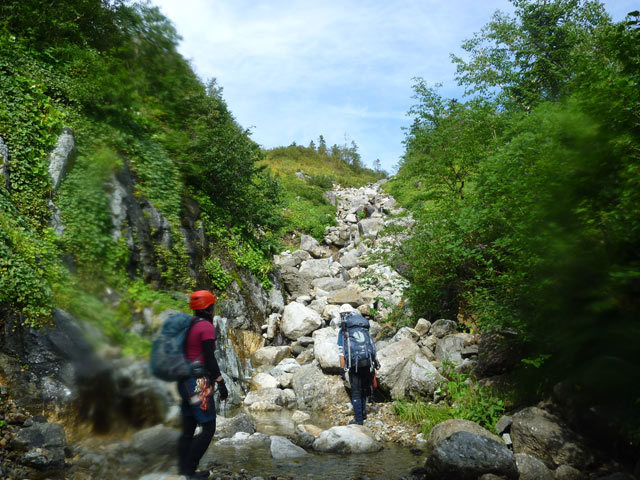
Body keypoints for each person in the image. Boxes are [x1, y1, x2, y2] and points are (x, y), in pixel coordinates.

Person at [177, 290, 228, 479]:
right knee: (208, 428)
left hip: (184, 381)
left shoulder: (188, 325)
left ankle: (182, 470)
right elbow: (209, 357)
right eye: (213, 306)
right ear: (208, 308)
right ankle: (189, 472)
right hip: (198, 382)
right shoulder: (206, 327)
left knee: (189, 427)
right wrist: (220, 382)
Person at [337, 304, 380, 425]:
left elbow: (341, 351)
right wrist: (375, 361)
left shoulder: (344, 330)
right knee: (364, 388)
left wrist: (342, 369)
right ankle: (364, 413)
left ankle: (358, 420)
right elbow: (370, 344)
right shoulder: (362, 326)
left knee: (355, 391)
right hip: (367, 361)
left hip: (354, 363)